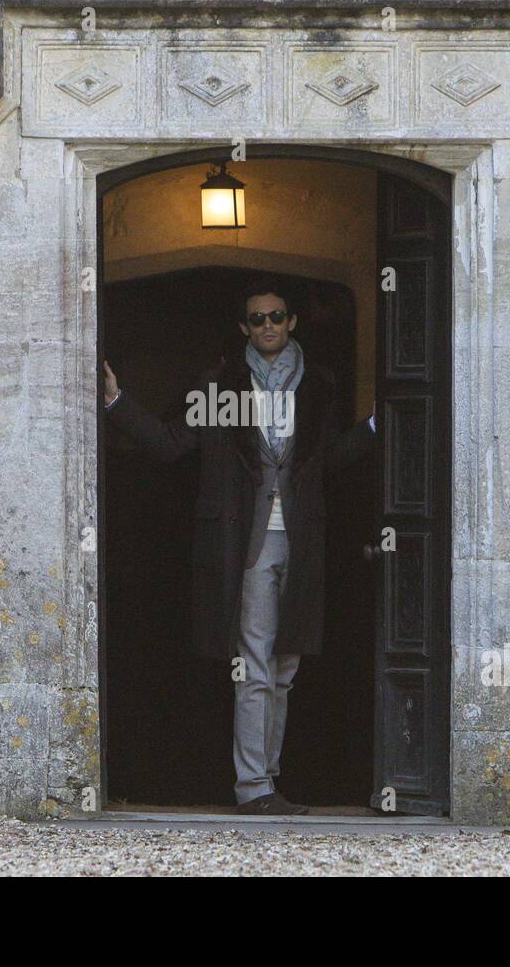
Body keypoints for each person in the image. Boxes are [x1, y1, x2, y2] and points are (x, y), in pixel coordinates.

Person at [102, 280, 375, 814]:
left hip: (302, 540)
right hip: (245, 542)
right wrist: (116, 401)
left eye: (276, 316)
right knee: (253, 664)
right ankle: (252, 787)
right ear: (243, 327)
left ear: (292, 321)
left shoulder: (318, 384)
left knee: (285, 667)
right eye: (257, 319)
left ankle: (268, 780)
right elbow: (171, 443)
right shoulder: (223, 384)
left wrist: (380, 421)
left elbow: (331, 461)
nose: (267, 326)